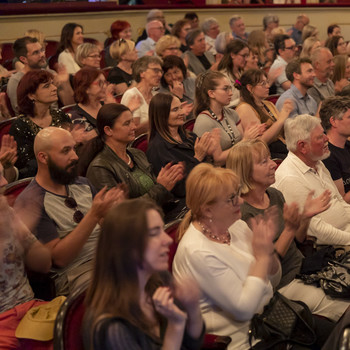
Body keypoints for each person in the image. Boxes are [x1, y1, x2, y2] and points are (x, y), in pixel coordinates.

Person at [227, 139, 349, 323]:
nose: (272, 164)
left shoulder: (274, 195)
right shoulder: (243, 215)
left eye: (269, 158)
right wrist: (290, 229)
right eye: (263, 162)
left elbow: (299, 239)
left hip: (305, 268)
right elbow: (266, 269)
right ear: (246, 173)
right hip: (283, 283)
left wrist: (306, 216)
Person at [172, 163, 281, 349]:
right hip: (240, 340)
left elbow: (274, 279)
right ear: (207, 210)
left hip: (271, 321)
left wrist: (268, 250)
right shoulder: (197, 251)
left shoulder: (236, 226)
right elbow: (244, 309)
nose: (241, 201)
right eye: (231, 198)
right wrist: (262, 258)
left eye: (238, 193)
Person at [15, 127, 125, 296]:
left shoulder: (82, 183)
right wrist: (94, 215)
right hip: (76, 274)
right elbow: (60, 259)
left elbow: (104, 225)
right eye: (66, 151)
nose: (75, 156)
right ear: (43, 157)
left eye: (74, 148)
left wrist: (114, 212)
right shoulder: (31, 201)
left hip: (107, 255)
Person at [83, 198, 204, 350]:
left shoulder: (159, 280)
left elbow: (193, 344)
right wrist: (176, 326)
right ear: (126, 248)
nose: (167, 239)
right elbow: (179, 335)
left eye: (162, 230)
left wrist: (192, 307)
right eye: (154, 233)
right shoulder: (112, 327)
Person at [81, 103, 184, 222]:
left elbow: (157, 193)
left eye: (132, 122)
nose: (134, 127)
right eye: (127, 123)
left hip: (158, 216)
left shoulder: (137, 154)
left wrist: (168, 182)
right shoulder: (99, 168)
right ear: (108, 130)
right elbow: (120, 214)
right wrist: (161, 188)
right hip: (136, 230)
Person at [274, 114, 350, 245]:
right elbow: (316, 231)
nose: (327, 138)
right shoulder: (290, 179)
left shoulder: (317, 162)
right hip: (331, 247)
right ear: (302, 146)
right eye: (320, 137)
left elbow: (340, 202)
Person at [147, 93, 221, 214]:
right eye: (175, 110)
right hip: (187, 205)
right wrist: (197, 158)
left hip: (206, 189)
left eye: (181, 107)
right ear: (162, 115)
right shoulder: (157, 148)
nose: (182, 112)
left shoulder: (189, 136)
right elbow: (180, 188)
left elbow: (206, 169)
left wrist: (210, 154)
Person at [0, 186, 52, 350]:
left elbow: (44, 265)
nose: (5, 182)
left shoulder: (5, 212)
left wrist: (22, 233)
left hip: (31, 311)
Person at [10, 70, 71, 179]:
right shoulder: (20, 126)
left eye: (53, 83)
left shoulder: (61, 116)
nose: (54, 88)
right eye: (47, 86)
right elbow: (28, 169)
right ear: (31, 95)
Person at [194, 71, 261, 160]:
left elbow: (242, 141)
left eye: (230, 88)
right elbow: (217, 160)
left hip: (238, 162)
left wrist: (251, 136)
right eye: (225, 89)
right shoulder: (204, 122)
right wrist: (245, 140)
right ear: (211, 93)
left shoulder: (231, 113)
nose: (230, 93)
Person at [7, 37, 74, 114]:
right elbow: (22, 113)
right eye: (36, 53)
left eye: (42, 50)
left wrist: (65, 83)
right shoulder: (16, 80)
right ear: (23, 59)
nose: (42, 55)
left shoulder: (51, 74)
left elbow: (70, 106)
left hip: (57, 119)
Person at [235, 69, 292, 159]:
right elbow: (259, 143)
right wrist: (281, 120)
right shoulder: (244, 108)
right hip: (267, 154)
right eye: (263, 84)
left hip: (282, 147)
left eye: (267, 82)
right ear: (250, 88)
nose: (268, 86)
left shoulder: (268, 104)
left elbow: (283, 128)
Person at [70, 67, 119, 140]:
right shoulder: (75, 116)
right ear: (85, 88)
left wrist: (114, 108)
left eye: (105, 82)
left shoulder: (106, 105)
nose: (105, 86)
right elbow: (86, 142)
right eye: (100, 83)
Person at [320, 96, 350, 203]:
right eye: (349, 117)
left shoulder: (347, 145)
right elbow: (342, 200)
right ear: (333, 121)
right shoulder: (327, 156)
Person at [121, 56, 162, 133]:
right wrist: (158, 119)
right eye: (155, 70)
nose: (160, 74)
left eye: (161, 71)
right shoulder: (132, 94)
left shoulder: (156, 95)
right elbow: (133, 132)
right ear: (142, 73)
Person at [218, 40, 249, 108]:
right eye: (244, 56)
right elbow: (223, 106)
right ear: (232, 55)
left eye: (247, 56)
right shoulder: (222, 77)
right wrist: (241, 100)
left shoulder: (242, 73)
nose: (246, 59)